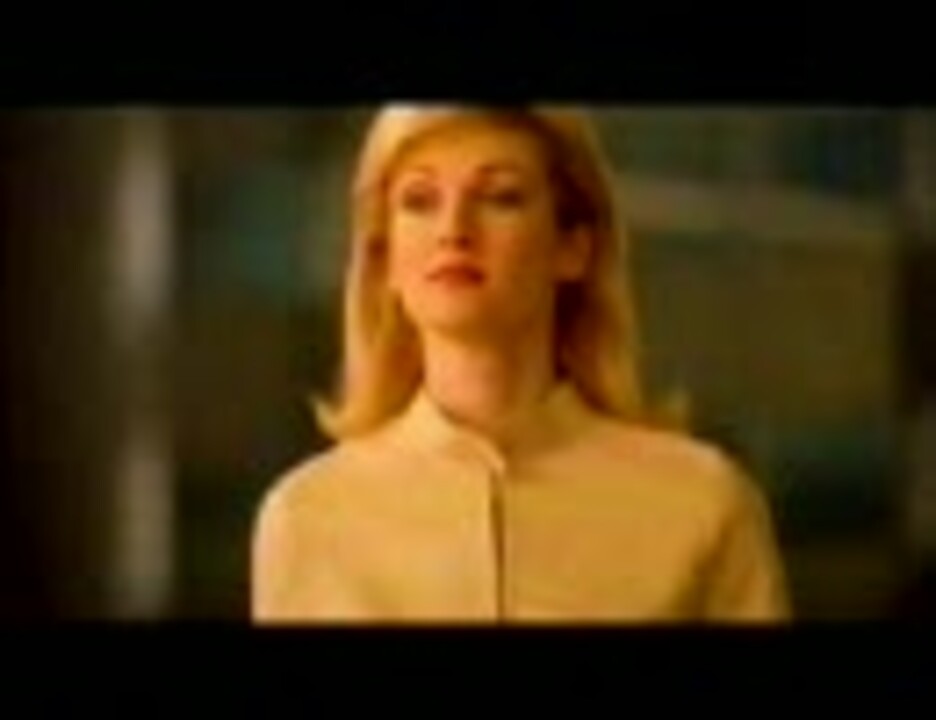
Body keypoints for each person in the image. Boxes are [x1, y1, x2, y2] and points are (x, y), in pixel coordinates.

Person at [251, 105, 791, 623]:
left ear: (573, 246)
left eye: (501, 197)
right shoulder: (305, 518)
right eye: (420, 200)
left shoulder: (705, 504)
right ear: (384, 256)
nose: (453, 230)